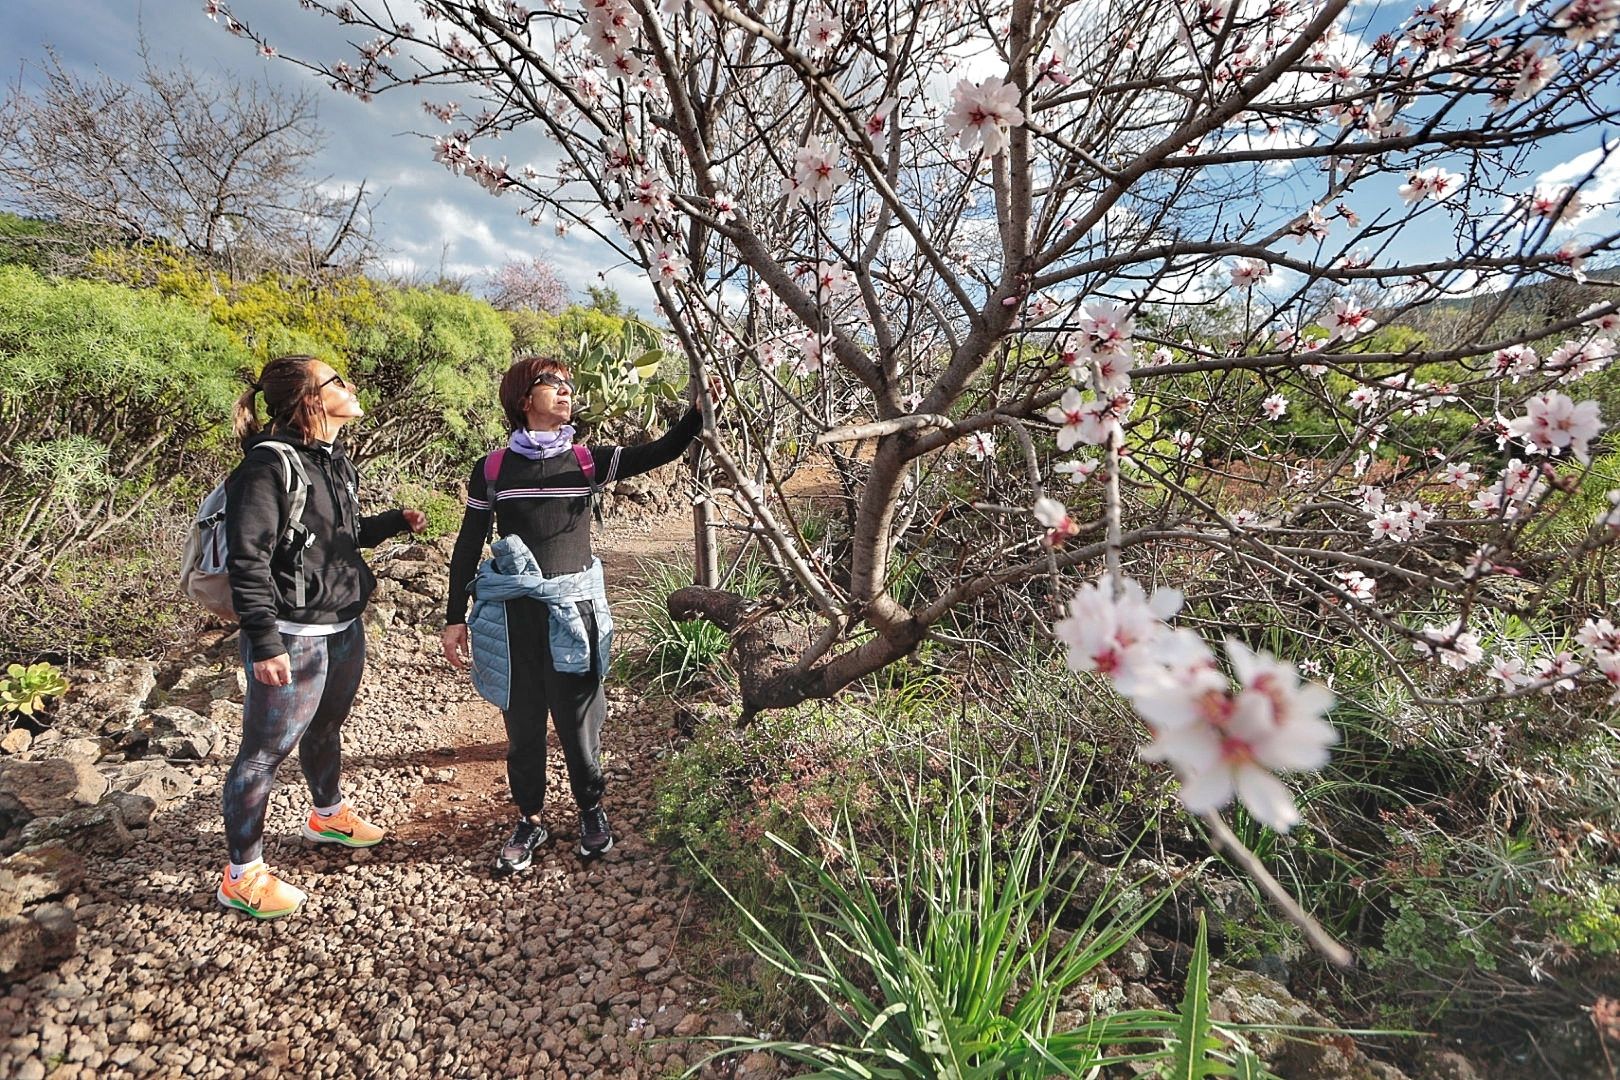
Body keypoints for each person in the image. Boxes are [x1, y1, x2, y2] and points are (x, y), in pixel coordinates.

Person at [441, 354, 714, 874]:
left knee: (579, 721)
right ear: (524, 398)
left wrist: (696, 413)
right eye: (553, 383)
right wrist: (456, 617)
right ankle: (529, 818)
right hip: (514, 618)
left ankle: (590, 809)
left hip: (574, 613)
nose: (566, 390)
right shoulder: (494, 469)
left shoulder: (587, 462)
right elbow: (468, 543)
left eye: (569, 383)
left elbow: (661, 451)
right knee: (523, 727)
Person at [218, 354, 426, 918]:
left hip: (341, 626)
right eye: (336, 380)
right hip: (291, 633)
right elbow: (247, 558)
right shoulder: (267, 466)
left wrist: (393, 523)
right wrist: (264, 642)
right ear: (309, 399)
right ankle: (242, 875)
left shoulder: (335, 462)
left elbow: (342, 537)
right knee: (263, 754)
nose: (350, 386)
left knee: (327, 728)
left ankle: (327, 816)